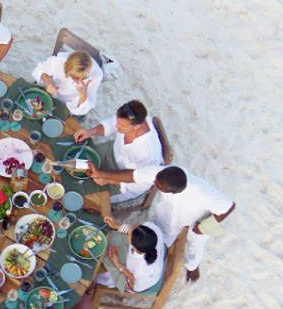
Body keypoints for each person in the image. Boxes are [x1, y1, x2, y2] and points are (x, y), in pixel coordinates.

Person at [85, 164, 235, 283]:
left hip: (196, 221)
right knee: (156, 240)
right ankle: (158, 257)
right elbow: (134, 176)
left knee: (195, 245)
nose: (154, 184)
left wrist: (203, 227)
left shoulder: (203, 192)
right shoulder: (162, 174)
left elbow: (228, 207)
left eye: (157, 186)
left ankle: (192, 266)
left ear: (174, 192)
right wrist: (100, 174)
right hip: (166, 216)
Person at [73, 100, 163, 203]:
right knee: (75, 162)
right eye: (118, 122)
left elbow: (142, 184)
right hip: (109, 151)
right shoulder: (126, 120)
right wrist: (91, 132)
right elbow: (111, 124)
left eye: (121, 126)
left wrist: (109, 179)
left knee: (83, 198)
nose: (116, 126)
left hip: (123, 179)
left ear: (137, 126)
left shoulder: (149, 153)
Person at [95, 217, 165, 293]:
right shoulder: (151, 229)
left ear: (134, 246)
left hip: (135, 280)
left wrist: (118, 265)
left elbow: (136, 286)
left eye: (130, 234)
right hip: (135, 259)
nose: (131, 229)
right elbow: (134, 228)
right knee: (108, 237)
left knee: (99, 273)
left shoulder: (142, 270)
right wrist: (116, 225)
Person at [32, 50, 103, 118]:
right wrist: (48, 82)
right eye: (74, 77)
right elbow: (40, 68)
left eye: (83, 78)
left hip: (69, 105)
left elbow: (86, 107)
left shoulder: (96, 75)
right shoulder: (59, 61)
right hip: (50, 94)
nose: (79, 81)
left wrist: (83, 94)